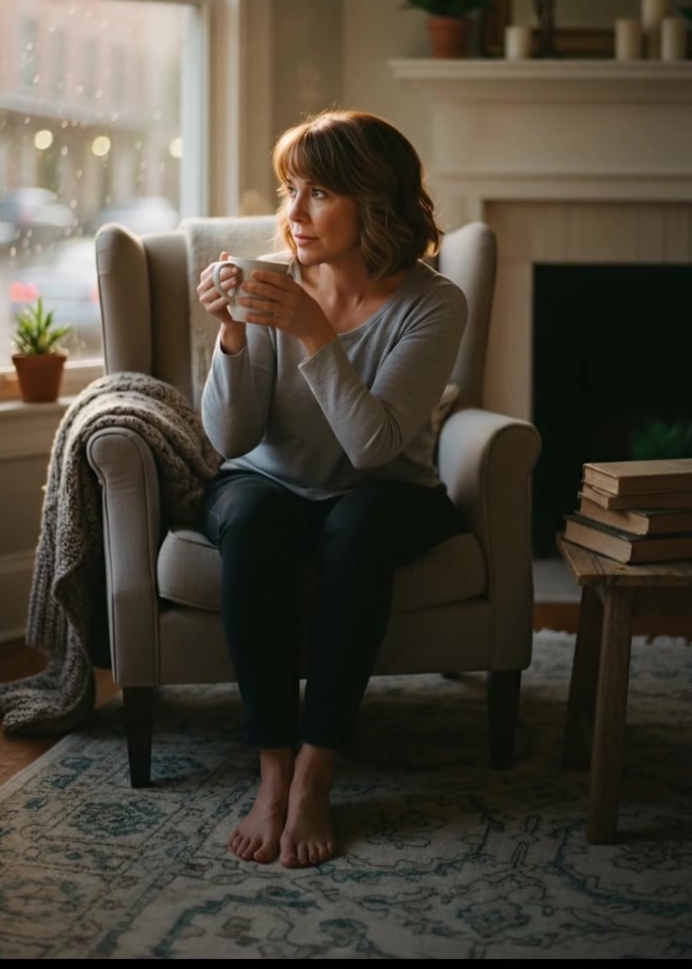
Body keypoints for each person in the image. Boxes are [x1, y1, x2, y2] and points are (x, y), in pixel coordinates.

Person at [196, 108, 467, 869]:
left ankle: (317, 771)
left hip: (386, 493)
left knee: (359, 524)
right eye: (291, 190)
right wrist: (233, 335)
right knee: (249, 517)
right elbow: (230, 439)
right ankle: (273, 772)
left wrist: (315, 333)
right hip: (269, 481)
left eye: (318, 193)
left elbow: (375, 447)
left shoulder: (432, 303)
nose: (294, 213)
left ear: (373, 201)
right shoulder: (269, 281)